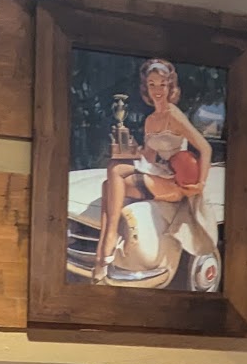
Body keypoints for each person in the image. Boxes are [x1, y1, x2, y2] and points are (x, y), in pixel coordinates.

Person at [89, 58, 216, 283]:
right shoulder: (150, 120)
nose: (157, 90)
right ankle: (103, 253)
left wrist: (200, 184)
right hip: (159, 175)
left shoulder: (173, 114)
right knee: (108, 184)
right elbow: (148, 158)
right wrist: (132, 149)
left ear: (170, 87)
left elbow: (205, 148)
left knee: (115, 171)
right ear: (146, 88)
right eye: (152, 84)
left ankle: (108, 243)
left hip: (176, 184)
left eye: (162, 84)